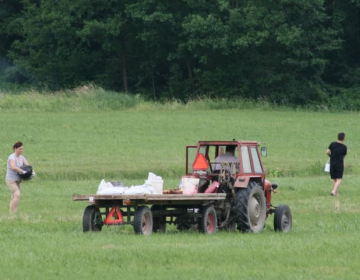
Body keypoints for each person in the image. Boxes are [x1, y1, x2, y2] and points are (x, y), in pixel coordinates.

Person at [5, 141, 30, 214]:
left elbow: (27, 166)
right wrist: (22, 171)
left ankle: (12, 213)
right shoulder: (12, 157)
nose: (21, 150)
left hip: (18, 180)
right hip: (11, 180)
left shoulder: (22, 158)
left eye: (22, 149)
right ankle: (13, 213)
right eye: (20, 149)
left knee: (14, 197)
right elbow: (13, 167)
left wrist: (31, 172)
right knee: (17, 194)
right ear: (15, 148)